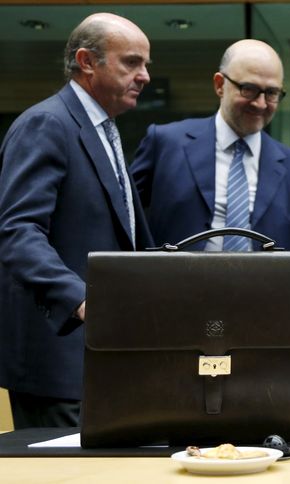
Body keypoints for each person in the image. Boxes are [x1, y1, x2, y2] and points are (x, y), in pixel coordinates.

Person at [130, 39, 290, 397]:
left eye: (272, 94)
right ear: (220, 84)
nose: (261, 104)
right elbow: (122, 220)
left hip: (264, 333)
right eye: (250, 89)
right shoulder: (166, 143)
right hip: (171, 324)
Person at [0, 13, 153, 428]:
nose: (144, 76)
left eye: (146, 65)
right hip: (58, 362)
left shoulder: (107, 130)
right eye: (132, 63)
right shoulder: (46, 123)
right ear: (87, 61)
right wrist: (83, 299)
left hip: (105, 362)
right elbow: (18, 233)